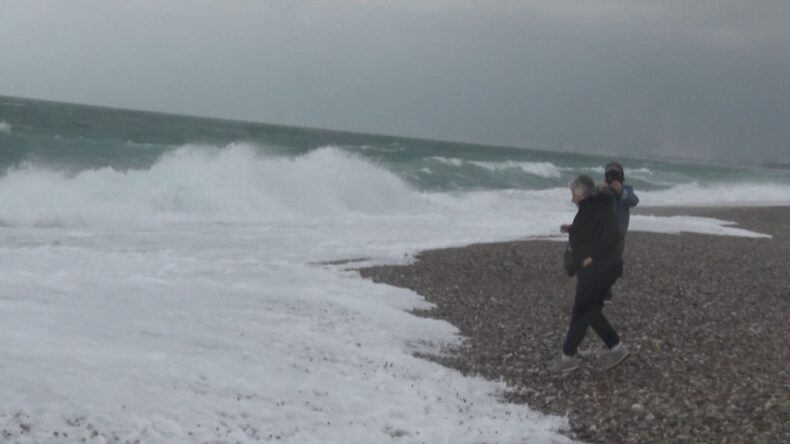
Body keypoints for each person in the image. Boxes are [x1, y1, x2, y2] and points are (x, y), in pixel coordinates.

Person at [550, 175, 630, 373]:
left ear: (581, 194)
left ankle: (568, 358)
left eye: (572, 195)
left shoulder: (591, 210)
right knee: (591, 310)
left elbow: (609, 236)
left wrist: (591, 257)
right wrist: (573, 229)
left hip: (598, 270)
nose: (571, 199)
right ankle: (616, 347)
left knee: (582, 310)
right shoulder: (599, 205)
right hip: (607, 267)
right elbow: (602, 231)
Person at [599, 161, 639, 302]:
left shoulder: (627, 189)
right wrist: (600, 190)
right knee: (601, 261)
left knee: (614, 262)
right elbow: (590, 202)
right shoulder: (603, 189)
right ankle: (601, 290)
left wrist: (621, 191)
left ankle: (607, 287)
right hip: (603, 232)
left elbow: (634, 201)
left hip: (619, 233)